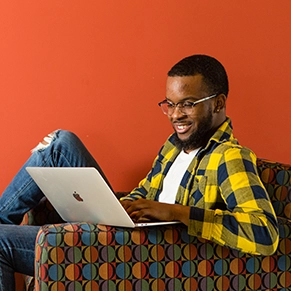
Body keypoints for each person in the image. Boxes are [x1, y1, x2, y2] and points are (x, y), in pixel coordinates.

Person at [0, 54, 278, 290]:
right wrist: (112, 206)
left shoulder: (229, 156)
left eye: (187, 104)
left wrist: (174, 211)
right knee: (60, 144)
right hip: (124, 230)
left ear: (217, 103)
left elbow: (264, 233)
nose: (175, 115)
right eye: (169, 104)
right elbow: (142, 193)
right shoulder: (173, 148)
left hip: (143, 253)